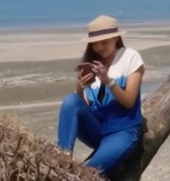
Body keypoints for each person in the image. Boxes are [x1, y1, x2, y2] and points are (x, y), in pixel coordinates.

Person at [56, 14, 146, 178]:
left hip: (122, 131)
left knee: (86, 173)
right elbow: (83, 109)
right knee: (71, 100)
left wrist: (108, 81)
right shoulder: (93, 64)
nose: (99, 47)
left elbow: (129, 102)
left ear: (116, 38)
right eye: (95, 44)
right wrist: (80, 88)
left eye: (104, 42)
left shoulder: (130, 57)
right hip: (97, 129)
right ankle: (62, 158)